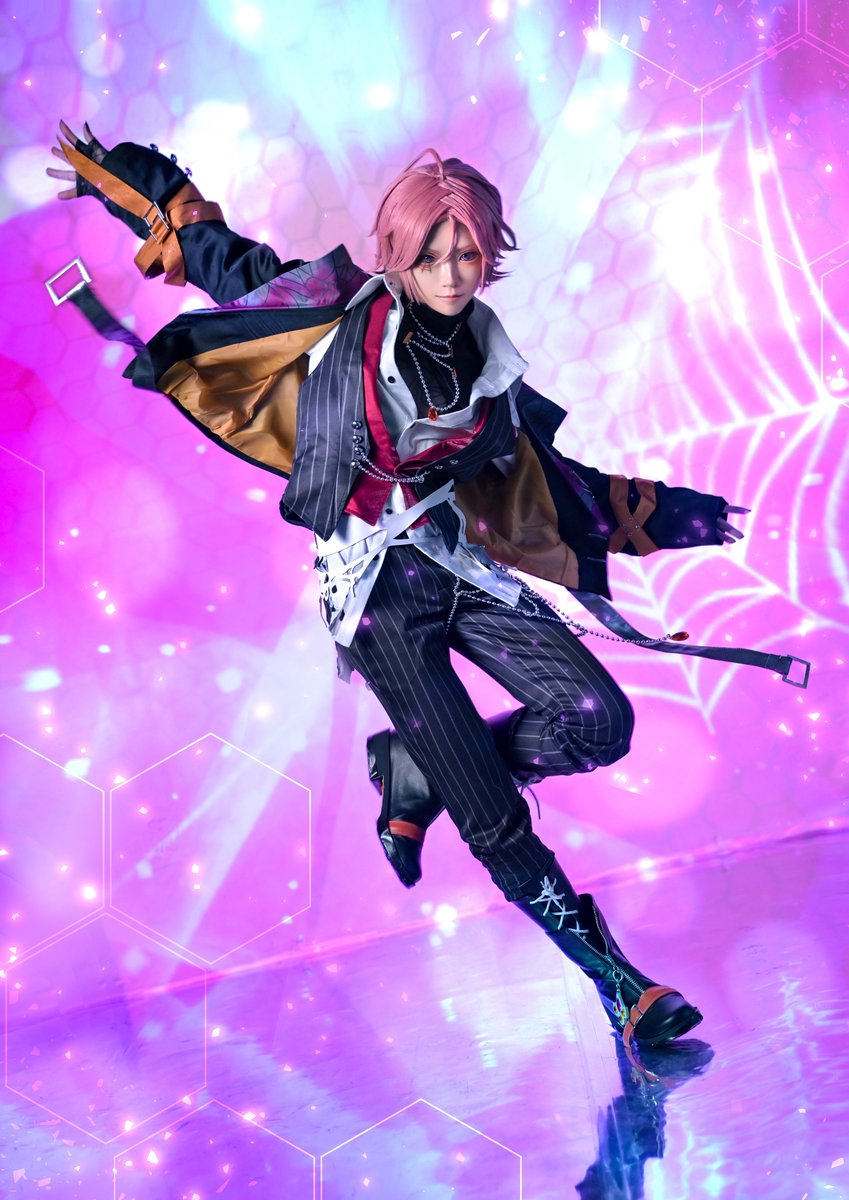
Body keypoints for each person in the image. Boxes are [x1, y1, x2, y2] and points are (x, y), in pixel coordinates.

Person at [47, 121, 804, 1060]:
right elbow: (215, 251)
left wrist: (677, 512)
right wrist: (129, 179)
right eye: (432, 253)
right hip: (376, 595)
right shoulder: (334, 316)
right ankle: (622, 987)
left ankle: (417, 766)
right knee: (491, 817)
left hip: (459, 566)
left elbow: (554, 482)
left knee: (598, 721)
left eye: (467, 253)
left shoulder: (490, 366)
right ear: (399, 253)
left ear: (489, 255)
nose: (450, 273)